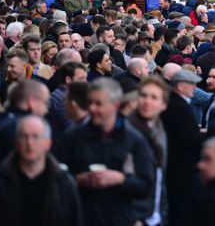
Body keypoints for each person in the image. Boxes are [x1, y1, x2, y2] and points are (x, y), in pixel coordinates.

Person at [55, 78, 154, 226]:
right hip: (80, 218)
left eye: (98, 104)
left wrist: (121, 179)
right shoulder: (72, 136)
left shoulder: (134, 139)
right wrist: (78, 179)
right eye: (90, 103)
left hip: (118, 218)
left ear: (116, 105)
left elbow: (146, 185)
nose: (92, 108)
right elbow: (55, 177)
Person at [0, 115, 84, 226]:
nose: (29, 143)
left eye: (36, 137)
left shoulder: (64, 183)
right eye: (24, 136)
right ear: (16, 142)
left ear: (48, 143)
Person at [161, 70, 204, 226]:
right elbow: (188, 139)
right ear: (180, 86)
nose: (194, 88)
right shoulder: (179, 107)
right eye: (191, 84)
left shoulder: (174, 104)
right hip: (181, 169)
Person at [128, 76, 169, 226]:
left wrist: (162, 214)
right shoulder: (127, 132)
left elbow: (160, 178)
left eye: (154, 97)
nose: (147, 101)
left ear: (163, 105)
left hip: (155, 217)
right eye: (143, 95)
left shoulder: (160, 132)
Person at [0, 80, 50, 167]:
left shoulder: (0, 119)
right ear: (32, 102)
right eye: (45, 103)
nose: (46, 110)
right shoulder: (22, 128)